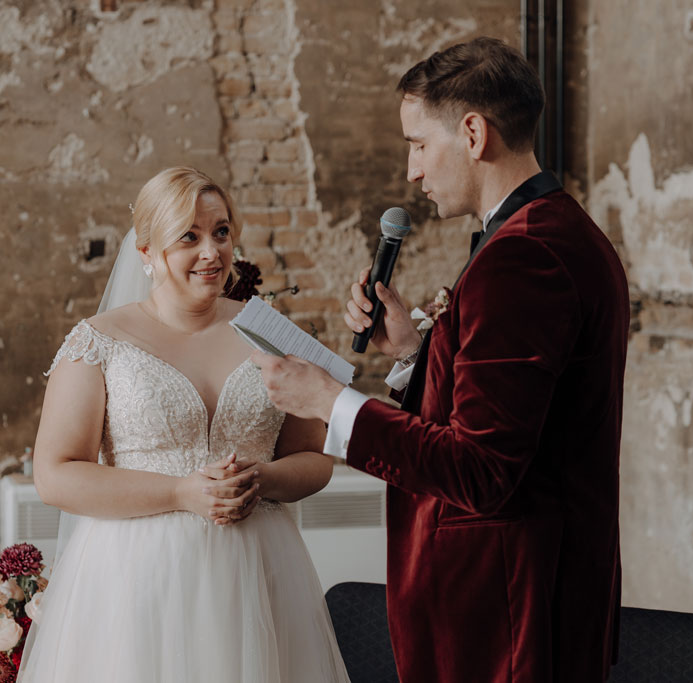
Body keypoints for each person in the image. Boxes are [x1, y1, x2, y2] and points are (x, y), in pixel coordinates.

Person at [252, 37, 629, 682]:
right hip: (524, 598)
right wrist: (411, 352)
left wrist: (329, 403)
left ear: (474, 133)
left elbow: (482, 469)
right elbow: (512, 416)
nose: (412, 171)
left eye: (419, 143)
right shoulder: (547, 232)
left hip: (506, 617)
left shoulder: (524, 258)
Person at [17, 167, 350, 682]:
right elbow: (55, 474)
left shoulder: (272, 334)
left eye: (221, 232)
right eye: (188, 237)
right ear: (147, 252)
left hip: (260, 571)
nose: (212, 252)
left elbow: (313, 459)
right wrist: (180, 492)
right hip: (138, 577)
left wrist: (262, 479)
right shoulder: (97, 343)